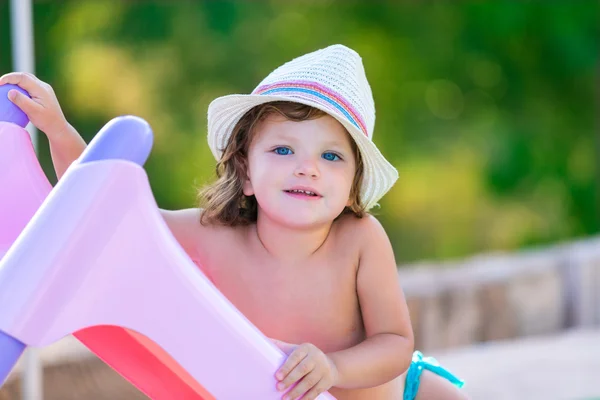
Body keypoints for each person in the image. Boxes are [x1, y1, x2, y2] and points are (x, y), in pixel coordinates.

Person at [0, 44, 467, 400]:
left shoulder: (359, 241)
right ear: (244, 171)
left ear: (352, 186)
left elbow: (395, 343)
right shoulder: (214, 235)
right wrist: (58, 131)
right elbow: (106, 211)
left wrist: (334, 368)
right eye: (283, 150)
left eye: (331, 156)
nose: (308, 167)